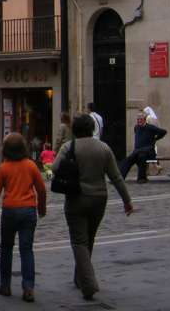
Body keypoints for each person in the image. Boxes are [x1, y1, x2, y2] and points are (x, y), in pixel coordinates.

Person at [54, 113, 133, 301]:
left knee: (79, 241)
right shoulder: (103, 148)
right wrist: (127, 200)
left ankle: (88, 284)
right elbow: (116, 177)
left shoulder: (69, 146)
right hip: (99, 199)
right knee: (89, 238)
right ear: (92, 128)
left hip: (76, 198)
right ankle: (79, 277)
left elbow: (56, 168)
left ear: (74, 129)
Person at [0, 133, 47, 302]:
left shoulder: (4, 168)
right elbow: (41, 189)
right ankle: (28, 286)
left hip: (10, 210)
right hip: (28, 210)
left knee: (6, 248)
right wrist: (42, 208)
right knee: (27, 250)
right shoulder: (31, 165)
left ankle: (5, 285)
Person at [119, 112, 167, 183]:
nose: (139, 121)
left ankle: (141, 178)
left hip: (148, 151)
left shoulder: (150, 128)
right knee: (128, 160)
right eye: (138, 120)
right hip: (137, 151)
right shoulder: (136, 127)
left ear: (144, 120)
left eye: (140, 120)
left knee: (142, 156)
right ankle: (120, 178)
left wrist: (155, 139)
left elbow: (163, 132)